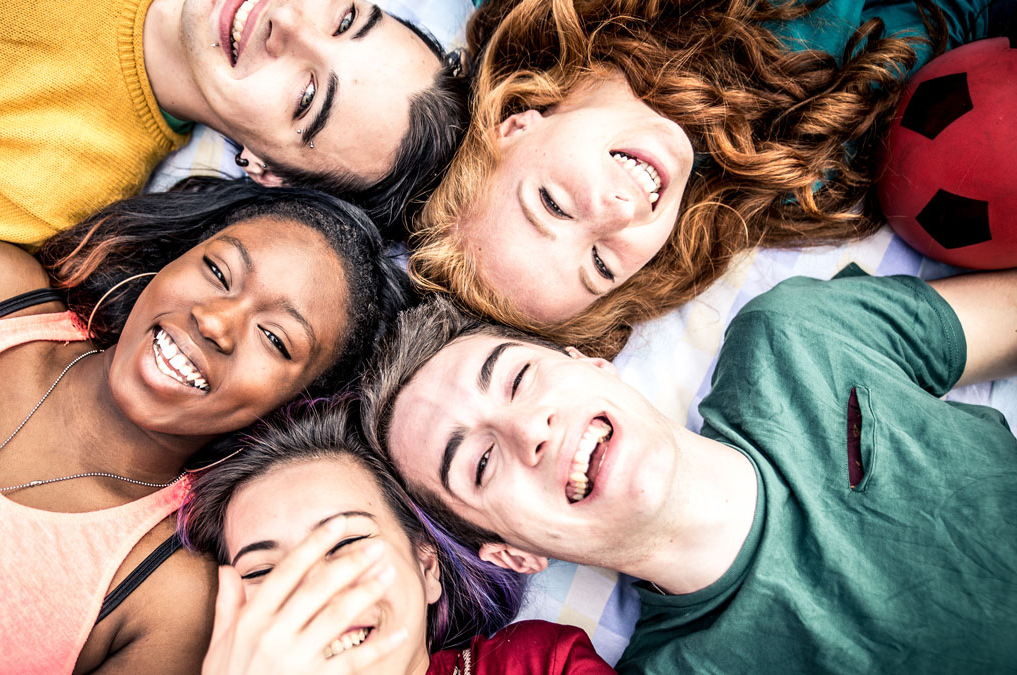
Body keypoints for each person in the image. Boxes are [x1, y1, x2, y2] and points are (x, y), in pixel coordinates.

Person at [0, 178, 408, 672]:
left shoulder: (165, 601)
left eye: (275, 339)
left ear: (291, 407)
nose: (217, 322)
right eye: (218, 271)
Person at [360, 267, 1017, 673]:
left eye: (519, 378)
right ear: (515, 554)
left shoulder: (798, 334)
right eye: (479, 462)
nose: (529, 429)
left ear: (589, 364)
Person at [407, 0, 1009, 357]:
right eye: (602, 265)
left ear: (515, 126)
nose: (618, 211)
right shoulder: (808, 176)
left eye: (555, 205)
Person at [0, 0, 466, 267]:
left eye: (305, 97)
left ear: (263, 169)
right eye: (347, 17)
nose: (289, 25)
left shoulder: (45, 186)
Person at [179, 399, 617, 674]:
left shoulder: (539, 665)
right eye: (264, 571)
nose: (316, 592)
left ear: (427, 568)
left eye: (345, 545)